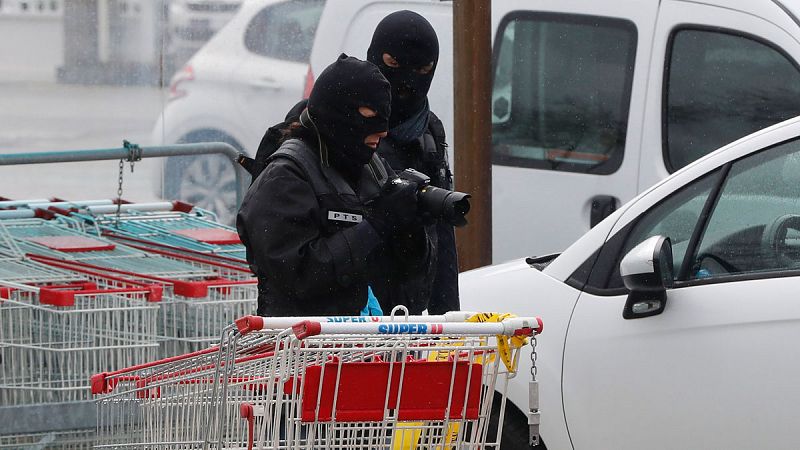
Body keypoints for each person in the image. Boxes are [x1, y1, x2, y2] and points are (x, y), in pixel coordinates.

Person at [236, 54, 434, 317]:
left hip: (363, 344)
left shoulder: (369, 167)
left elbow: (407, 273)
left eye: (385, 118)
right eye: (370, 116)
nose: (382, 132)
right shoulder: (284, 178)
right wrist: (376, 225)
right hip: (301, 349)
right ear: (337, 114)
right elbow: (298, 275)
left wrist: (411, 227)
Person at [366, 10, 459, 315]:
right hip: (352, 317)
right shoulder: (343, 123)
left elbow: (444, 239)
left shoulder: (429, 132)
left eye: (421, 69)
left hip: (413, 312)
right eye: (393, 65)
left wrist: (448, 325)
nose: (405, 83)